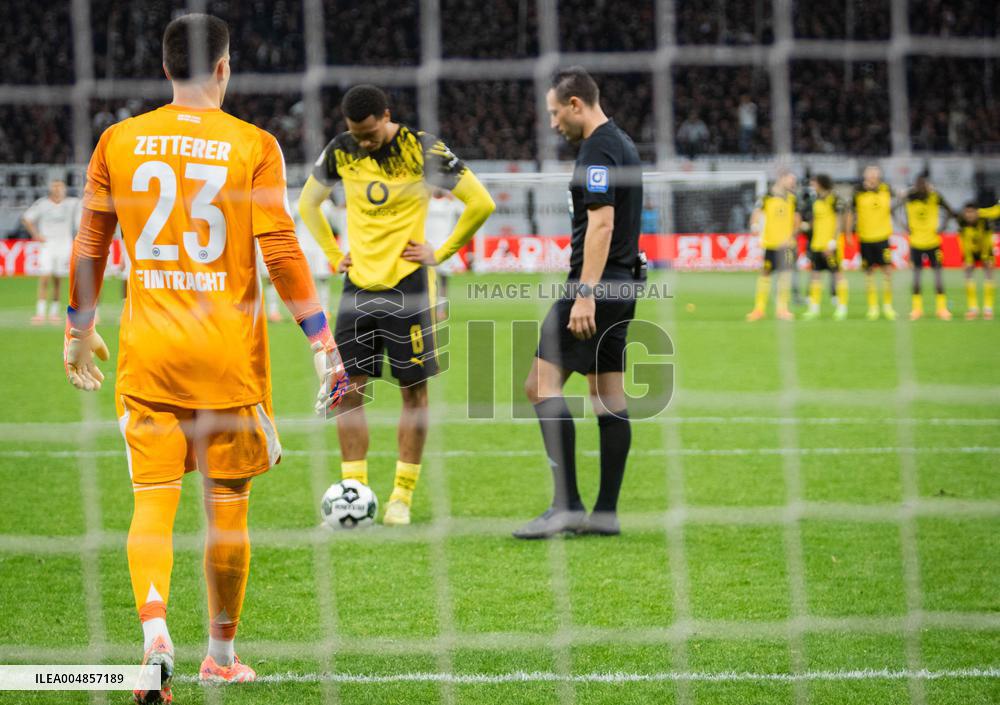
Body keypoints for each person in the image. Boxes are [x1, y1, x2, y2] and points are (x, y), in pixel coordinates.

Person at [60, 14, 347, 703]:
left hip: (150, 355)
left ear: (164, 70)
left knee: (151, 505)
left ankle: (155, 634)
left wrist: (77, 328)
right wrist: (321, 343)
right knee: (228, 508)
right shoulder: (253, 144)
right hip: (226, 360)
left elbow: (91, 244)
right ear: (224, 67)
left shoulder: (118, 140)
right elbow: (281, 249)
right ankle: (219, 653)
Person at [299, 84, 495, 527]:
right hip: (356, 289)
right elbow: (307, 204)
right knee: (346, 392)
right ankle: (356, 490)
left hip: (411, 289)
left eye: (369, 134)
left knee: (414, 393)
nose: (364, 142)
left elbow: (480, 202)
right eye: (356, 134)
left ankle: (401, 498)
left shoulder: (422, 149)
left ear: (386, 116)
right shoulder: (341, 150)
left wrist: (442, 252)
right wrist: (333, 255)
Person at [514, 66, 642, 540]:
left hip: (596, 287)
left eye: (554, 113)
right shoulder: (622, 142)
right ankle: (604, 514)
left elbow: (603, 224)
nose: (552, 124)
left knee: (538, 385)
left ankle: (566, 507)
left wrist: (584, 294)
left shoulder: (598, 148)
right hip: (624, 284)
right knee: (608, 398)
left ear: (575, 104)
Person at [22, 179, 81, 324]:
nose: (58, 190)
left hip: (64, 245)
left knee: (58, 280)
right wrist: (35, 234)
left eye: (60, 187)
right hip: (47, 245)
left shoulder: (71, 203)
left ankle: (54, 312)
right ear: (51, 189)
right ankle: (40, 312)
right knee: (45, 277)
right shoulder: (42, 204)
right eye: (55, 187)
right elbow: (26, 219)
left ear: (65, 189)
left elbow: (86, 203)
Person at [899, 176, 955, 320]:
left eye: (924, 184)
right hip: (916, 242)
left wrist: (942, 227)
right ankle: (917, 309)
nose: (922, 187)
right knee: (917, 276)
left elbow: (950, 211)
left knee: (937, 275)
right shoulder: (910, 198)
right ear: (915, 186)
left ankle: (941, 309)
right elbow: (892, 209)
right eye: (919, 185)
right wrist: (904, 226)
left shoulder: (935, 197)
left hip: (933, 242)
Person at [845, 165, 897, 321]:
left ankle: (888, 307)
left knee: (887, 271)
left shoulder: (887, 189)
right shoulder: (858, 192)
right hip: (865, 238)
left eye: (875, 175)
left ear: (879, 176)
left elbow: (903, 199)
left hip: (883, 237)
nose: (873, 178)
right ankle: (873, 307)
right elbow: (850, 213)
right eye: (870, 175)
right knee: (869, 273)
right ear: (865, 177)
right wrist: (848, 233)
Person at [746, 170, 799, 321]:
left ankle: (782, 310)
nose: (792, 184)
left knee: (785, 276)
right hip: (770, 243)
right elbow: (756, 212)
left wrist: (790, 237)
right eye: (790, 180)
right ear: (781, 179)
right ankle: (759, 309)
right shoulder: (766, 197)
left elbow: (797, 220)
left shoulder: (793, 199)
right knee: (765, 274)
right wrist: (755, 226)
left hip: (787, 245)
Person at [802, 174, 848, 320]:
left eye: (814, 182)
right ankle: (814, 309)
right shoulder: (815, 199)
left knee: (837, 274)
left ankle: (842, 307)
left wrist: (833, 241)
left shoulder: (834, 199)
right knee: (815, 275)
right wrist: (806, 226)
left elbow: (839, 221)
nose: (812, 184)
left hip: (830, 244)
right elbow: (815, 220)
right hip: (817, 244)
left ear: (821, 183)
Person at [424, 188, 466, 319]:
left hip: (444, 246)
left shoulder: (451, 203)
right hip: (426, 246)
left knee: (443, 281)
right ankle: (428, 308)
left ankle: (441, 310)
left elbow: (466, 212)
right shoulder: (426, 201)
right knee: (426, 281)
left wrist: (455, 198)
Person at [958, 201, 996, 320]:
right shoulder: (962, 221)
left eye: (971, 212)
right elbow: (963, 240)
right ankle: (973, 309)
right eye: (966, 213)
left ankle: (988, 309)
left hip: (985, 248)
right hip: (971, 250)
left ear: (976, 212)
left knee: (988, 275)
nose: (968, 215)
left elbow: (996, 211)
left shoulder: (984, 217)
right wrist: (966, 258)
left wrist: (987, 257)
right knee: (968, 274)